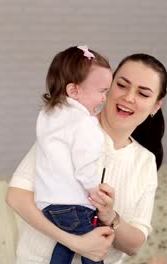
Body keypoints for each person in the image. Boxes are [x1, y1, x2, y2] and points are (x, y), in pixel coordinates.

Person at [6, 53, 167, 264]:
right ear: (108, 86)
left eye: (143, 94)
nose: (128, 97)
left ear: (156, 105)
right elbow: (16, 197)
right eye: (121, 85)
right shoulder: (70, 127)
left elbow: (134, 245)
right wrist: (76, 243)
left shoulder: (145, 161)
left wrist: (109, 216)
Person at [35, 45, 112, 264]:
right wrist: (93, 190)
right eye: (101, 91)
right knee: (93, 246)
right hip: (72, 204)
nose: (105, 98)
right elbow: (85, 163)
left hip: (48, 202)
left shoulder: (48, 115)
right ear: (74, 91)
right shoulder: (84, 124)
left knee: (68, 243)